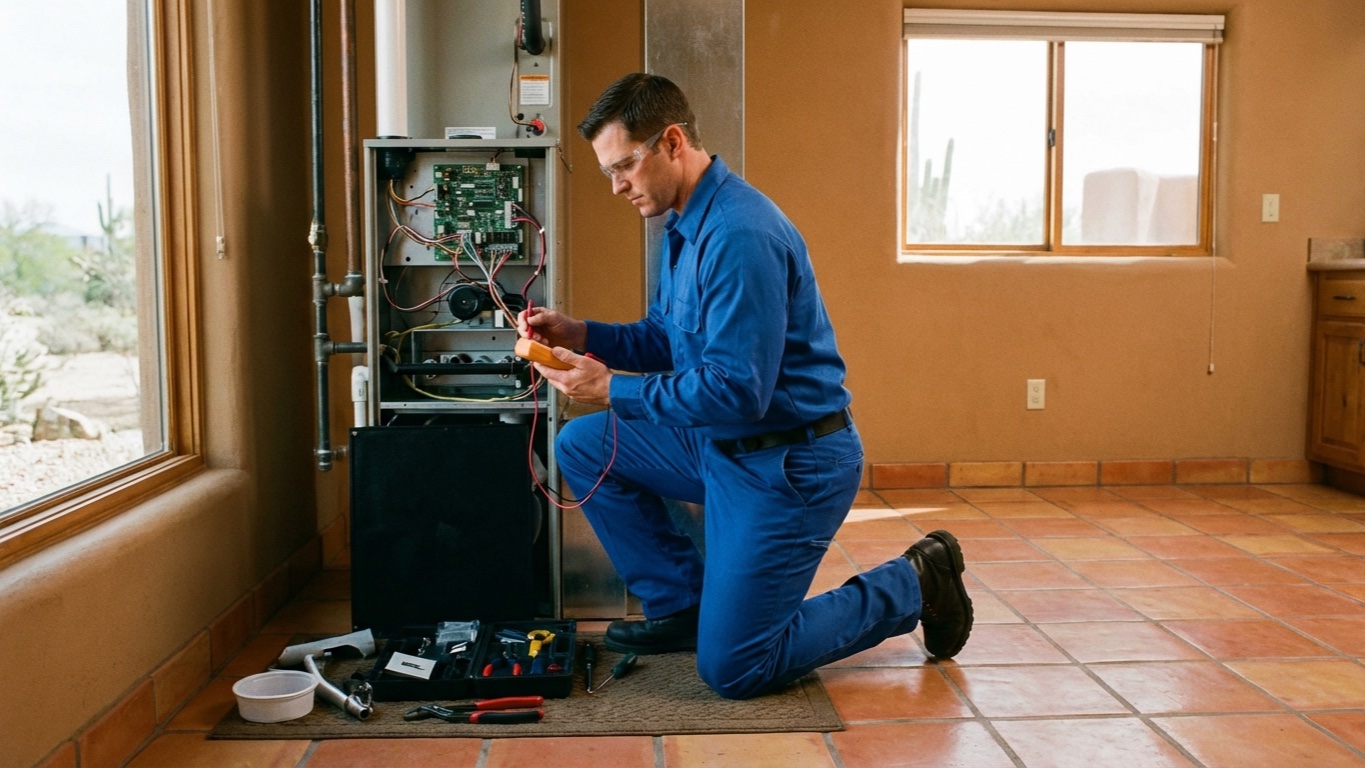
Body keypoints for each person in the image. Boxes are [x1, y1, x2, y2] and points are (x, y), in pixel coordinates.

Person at [517, 73, 972, 700]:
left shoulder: (739, 234)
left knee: (735, 667)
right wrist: (582, 332)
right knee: (583, 445)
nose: (617, 185)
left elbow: (738, 392)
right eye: (608, 172)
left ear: (672, 142)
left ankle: (915, 582)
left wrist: (612, 388)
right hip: (721, 444)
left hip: (788, 463)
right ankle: (682, 606)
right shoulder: (682, 225)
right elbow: (665, 337)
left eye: (624, 165)